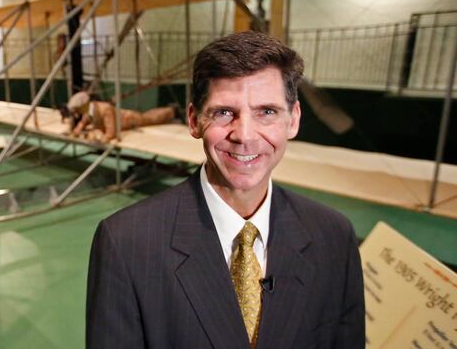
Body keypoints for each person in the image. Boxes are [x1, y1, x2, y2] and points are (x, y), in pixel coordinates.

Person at [86, 31, 364, 348]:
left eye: (267, 112)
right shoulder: (126, 243)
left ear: (294, 120)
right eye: (223, 112)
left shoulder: (334, 236)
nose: (244, 135)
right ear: (194, 120)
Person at [65, 91, 177, 143]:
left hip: (129, 119)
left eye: (77, 109)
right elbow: (84, 121)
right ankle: (170, 111)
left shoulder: (105, 109)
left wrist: (99, 139)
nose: (76, 112)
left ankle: (171, 111)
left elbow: (111, 133)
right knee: (148, 117)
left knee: (150, 119)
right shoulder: (89, 110)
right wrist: (76, 130)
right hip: (123, 118)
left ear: (84, 105)